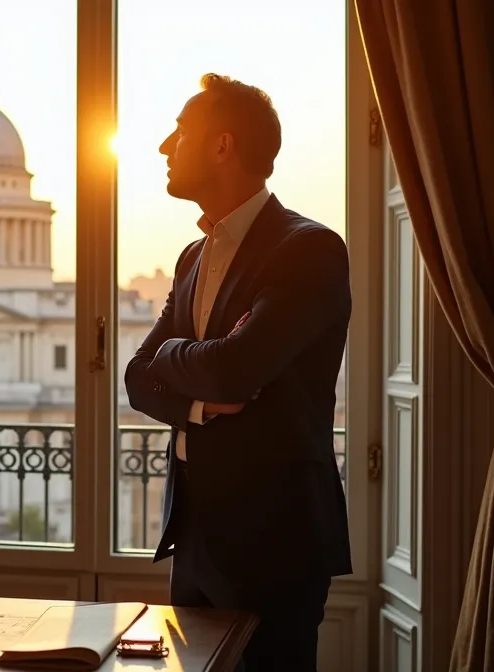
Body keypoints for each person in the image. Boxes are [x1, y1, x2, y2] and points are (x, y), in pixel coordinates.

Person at [124, 73, 352, 670]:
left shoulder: (309, 249)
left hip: (274, 541)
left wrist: (182, 361)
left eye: (179, 133)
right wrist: (196, 398)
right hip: (194, 534)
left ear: (223, 146)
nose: (163, 148)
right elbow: (135, 377)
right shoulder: (193, 257)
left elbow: (233, 369)